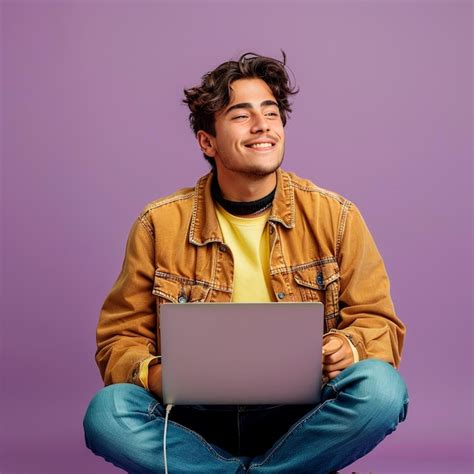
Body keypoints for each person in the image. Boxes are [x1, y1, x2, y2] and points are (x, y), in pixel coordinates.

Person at [83, 52, 409, 474]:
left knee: (381, 391)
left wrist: (347, 348)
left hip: (300, 417)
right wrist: (157, 376)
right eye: (242, 115)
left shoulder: (337, 216)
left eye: (271, 113)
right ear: (207, 141)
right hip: (194, 419)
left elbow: (380, 324)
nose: (263, 126)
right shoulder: (158, 224)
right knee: (107, 414)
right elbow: (118, 340)